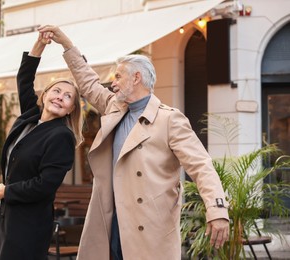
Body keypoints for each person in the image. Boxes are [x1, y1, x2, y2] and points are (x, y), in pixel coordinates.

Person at [38, 25, 230, 260]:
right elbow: (88, 83)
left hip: (150, 230)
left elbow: (201, 166)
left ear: (136, 78)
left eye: (118, 76)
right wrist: (67, 45)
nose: (113, 82)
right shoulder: (113, 106)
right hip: (111, 222)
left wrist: (217, 210)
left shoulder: (170, 119)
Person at [0, 32, 83, 260]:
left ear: (71, 108)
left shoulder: (62, 136)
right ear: (44, 96)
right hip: (7, 214)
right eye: (56, 91)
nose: (60, 97)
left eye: (68, 96)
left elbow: (45, 185)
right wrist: (40, 44)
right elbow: (24, 78)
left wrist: (7, 191)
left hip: (29, 221)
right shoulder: (30, 118)